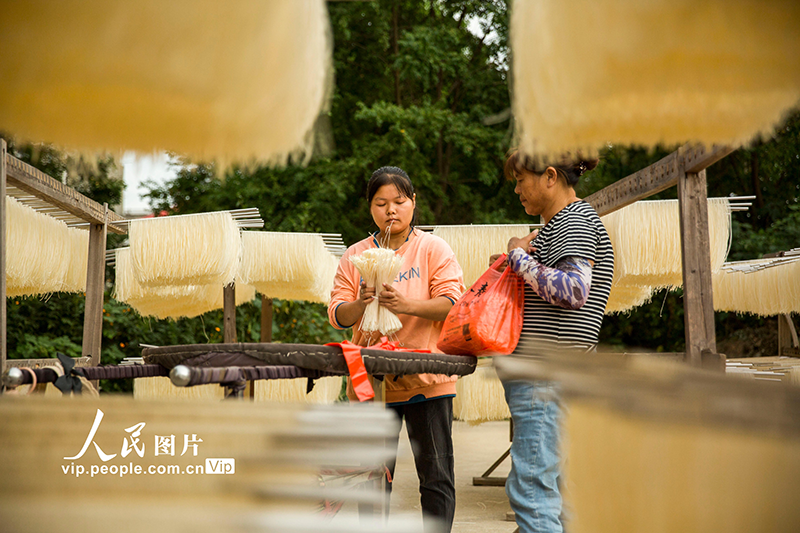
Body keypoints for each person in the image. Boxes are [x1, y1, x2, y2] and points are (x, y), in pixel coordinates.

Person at [328, 166, 465, 532]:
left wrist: (405, 305)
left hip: (428, 378)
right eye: (381, 203)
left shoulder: (433, 248)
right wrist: (360, 304)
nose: (391, 210)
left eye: (399, 201)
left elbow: (453, 302)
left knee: (435, 474)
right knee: (372, 476)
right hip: (372, 383)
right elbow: (337, 314)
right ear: (370, 208)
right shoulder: (356, 256)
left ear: (413, 202)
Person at [495, 151, 614, 533]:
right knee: (555, 493)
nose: (516, 190)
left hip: (544, 377)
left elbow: (573, 290)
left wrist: (516, 255)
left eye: (520, 179)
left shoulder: (573, 222)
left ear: (550, 176)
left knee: (532, 492)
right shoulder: (562, 225)